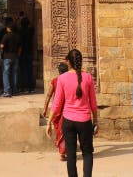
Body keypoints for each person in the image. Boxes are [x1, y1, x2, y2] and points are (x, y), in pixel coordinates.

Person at [45, 49, 98, 177]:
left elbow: (57, 103)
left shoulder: (62, 78)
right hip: (84, 120)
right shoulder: (88, 77)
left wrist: (49, 122)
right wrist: (96, 121)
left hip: (68, 120)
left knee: (71, 154)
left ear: (68, 62)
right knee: (87, 153)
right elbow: (93, 103)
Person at [43, 62, 70, 161]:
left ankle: (62, 152)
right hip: (65, 109)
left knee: (60, 131)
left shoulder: (55, 81)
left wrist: (45, 108)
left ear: (59, 71)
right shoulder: (69, 81)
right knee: (64, 131)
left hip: (56, 110)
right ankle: (63, 152)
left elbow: (48, 95)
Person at [0, 22, 21, 97]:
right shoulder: (18, 36)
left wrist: (2, 52)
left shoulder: (6, 36)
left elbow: (2, 46)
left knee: (5, 74)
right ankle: (14, 90)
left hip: (7, 57)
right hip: (15, 56)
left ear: (9, 28)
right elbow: (20, 48)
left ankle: (7, 91)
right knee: (14, 73)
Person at [19, 17, 35, 93]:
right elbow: (32, 26)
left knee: (24, 70)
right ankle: (31, 87)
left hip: (23, 53)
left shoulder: (21, 32)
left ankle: (25, 87)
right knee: (30, 70)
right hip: (29, 52)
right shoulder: (30, 31)